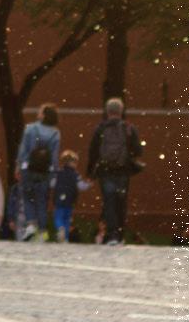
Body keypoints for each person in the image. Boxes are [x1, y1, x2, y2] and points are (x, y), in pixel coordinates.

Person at [87, 96, 144, 246]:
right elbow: (138, 150)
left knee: (109, 202)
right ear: (121, 111)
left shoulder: (100, 128)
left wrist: (90, 172)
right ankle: (120, 236)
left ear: (107, 111)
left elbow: (93, 151)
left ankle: (111, 235)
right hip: (123, 170)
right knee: (121, 203)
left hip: (105, 171)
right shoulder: (128, 128)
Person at [15, 104, 60, 242]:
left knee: (28, 198)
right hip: (45, 171)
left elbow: (23, 149)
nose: (38, 113)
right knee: (42, 201)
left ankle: (30, 225)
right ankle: (42, 231)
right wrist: (53, 173)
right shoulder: (55, 133)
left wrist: (18, 166)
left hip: (28, 168)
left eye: (40, 111)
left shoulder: (30, 128)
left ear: (44, 115)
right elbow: (54, 156)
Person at [52, 149, 85, 243]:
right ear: (73, 163)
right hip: (70, 199)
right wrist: (89, 184)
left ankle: (60, 228)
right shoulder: (76, 174)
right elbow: (81, 186)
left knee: (58, 217)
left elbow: (52, 184)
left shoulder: (58, 173)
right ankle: (65, 237)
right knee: (67, 219)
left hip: (59, 199)